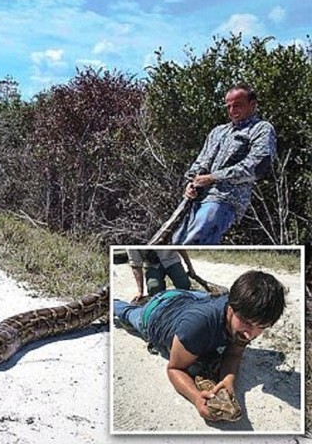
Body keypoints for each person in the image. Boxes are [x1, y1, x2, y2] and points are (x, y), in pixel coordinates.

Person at [113, 270, 285, 421]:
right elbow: (175, 369)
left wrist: (228, 379)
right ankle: (111, 301)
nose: (250, 334)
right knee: (127, 314)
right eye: (246, 322)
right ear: (231, 309)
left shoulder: (244, 316)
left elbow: (234, 353)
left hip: (187, 297)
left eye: (261, 327)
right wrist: (196, 398)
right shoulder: (196, 327)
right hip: (155, 311)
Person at [171, 84, 276, 244]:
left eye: (237, 105)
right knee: (177, 241)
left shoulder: (261, 129)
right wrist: (190, 182)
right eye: (229, 106)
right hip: (196, 197)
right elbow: (201, 161)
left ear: (252, 105)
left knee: (196, 239)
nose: (232, 110)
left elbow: (256, 166)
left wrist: (213, 177)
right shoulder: (218, 131)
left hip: (225, 199)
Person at [127, 249, 195, 302]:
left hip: (171, 260)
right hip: (152, 265)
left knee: (184, 285)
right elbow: (135, 265)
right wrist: (140, 291)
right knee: (155, 291)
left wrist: (189, 266)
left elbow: (180, 247)